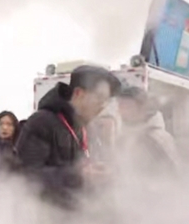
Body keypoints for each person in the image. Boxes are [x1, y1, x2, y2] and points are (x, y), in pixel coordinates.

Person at [15, 65, 121, 210]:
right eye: (99, 98)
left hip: (79, 217)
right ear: (78, 93)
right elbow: (26, 176)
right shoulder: (42, 122)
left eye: (106, 101)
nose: (103, 106)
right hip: (43, 218)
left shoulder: (89, 129)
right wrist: (77, 176)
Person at [117, 86, 181, 181]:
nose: (123, 111)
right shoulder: (123, 137)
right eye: (120, 106)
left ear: (143, 108)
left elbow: (172, 173)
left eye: (128, 107)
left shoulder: (157, 137)